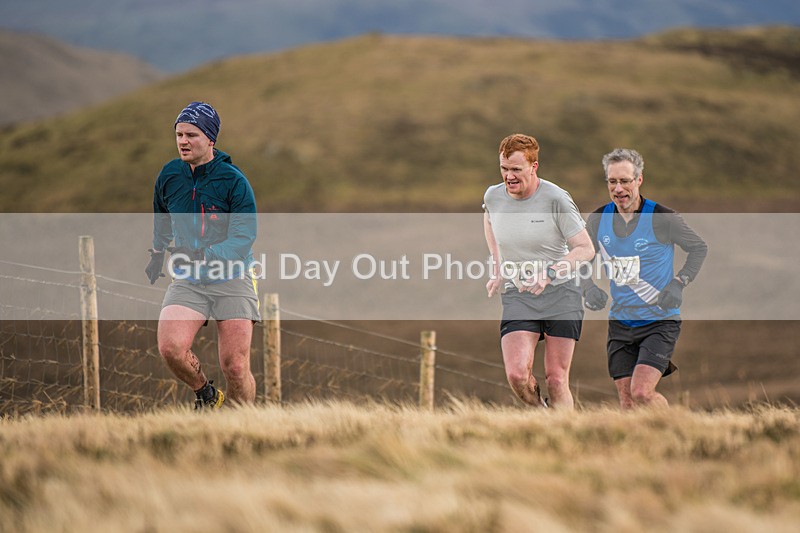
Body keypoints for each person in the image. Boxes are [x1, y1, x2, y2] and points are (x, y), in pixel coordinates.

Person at [144, 101, 260, 409]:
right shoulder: (169, 176)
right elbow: (163, 220)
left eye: (191, 135)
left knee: (235, 366)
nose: (183, 141)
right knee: (171, 348)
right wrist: (157, 252)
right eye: (179, 134)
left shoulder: (233, 181)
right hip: (189, 278)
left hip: (232, 275)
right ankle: (207, 395)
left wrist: (207, 255)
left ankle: (241, 424)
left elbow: (244, 236)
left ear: (210, 139)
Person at [582, 148, 707, 409]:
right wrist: (587, 287)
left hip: (659, 321)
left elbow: (698, 248)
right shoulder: (597, 220)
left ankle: (680, 430)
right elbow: (579, 258)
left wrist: (679, 282)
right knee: (627, 402)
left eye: (625, 181)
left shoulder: (662, 217)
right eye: (612, 181)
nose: (618, 189)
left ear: (639, 180)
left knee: (641, 393)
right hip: (620, 323)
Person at [484, 134, 595, 410]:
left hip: (561, 294)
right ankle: (543, 417)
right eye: (504, 169)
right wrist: (498, 268)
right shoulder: (493, 196)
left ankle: (564, 438)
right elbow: (489, 221)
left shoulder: (556, 198)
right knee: (517, 375)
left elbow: (585, 249)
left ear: (534, 166)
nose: (508, 176)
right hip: (518, 294)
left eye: (516, 170)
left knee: (556, 379)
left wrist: (549, 273)